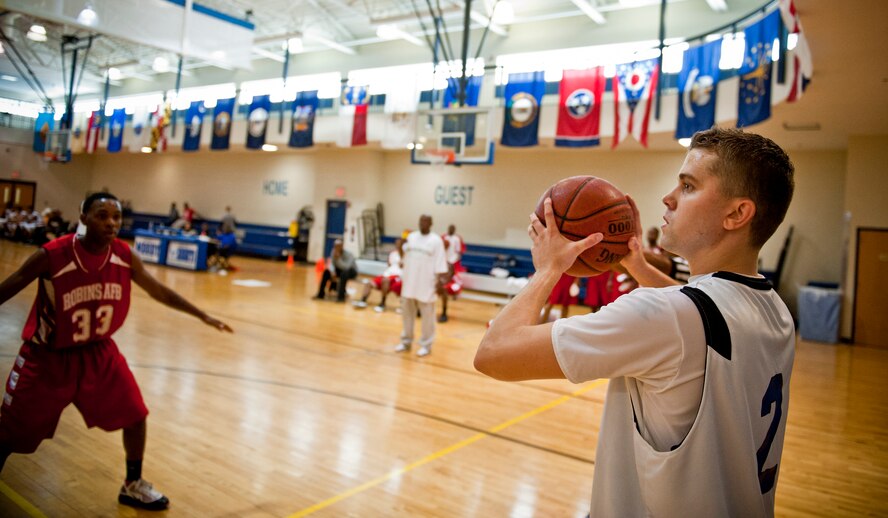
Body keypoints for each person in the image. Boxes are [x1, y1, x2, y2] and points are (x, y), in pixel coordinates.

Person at [475, 128, 796, 516]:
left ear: (737, 214)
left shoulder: (663, 316)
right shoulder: (774, 310)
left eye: (689, 186)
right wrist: (637, 264)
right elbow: (696, 312)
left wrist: (548, 268)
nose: (669, 197)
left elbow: (493, 354)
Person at [0, 192, 232, 511]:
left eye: (116, 217)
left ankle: (132, 484)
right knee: (10, 433)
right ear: (83, 217)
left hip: (98, 352)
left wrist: (201, 314)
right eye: (102, 215)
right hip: (48, 357)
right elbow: (10, 285)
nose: (111, 223)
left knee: (135, 414)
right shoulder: (52, 254)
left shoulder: (124, 254)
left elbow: (157, 289)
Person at [395, 215, 448, 357]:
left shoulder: (436, 241)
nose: (422, 224)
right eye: (420, 221)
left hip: (427, 285)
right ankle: (406, 341)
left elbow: (441, 263)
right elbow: (403, 258)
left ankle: (426, 344)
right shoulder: (411, 237)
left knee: (428, 318)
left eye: (425, 221)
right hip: (409, 284)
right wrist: (400, 246)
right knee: (407, 316)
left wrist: (439, 282)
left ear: (431, 223)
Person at [353, 238, 403, 312]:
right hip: (387, 275)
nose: (397, 245)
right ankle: (362, 301)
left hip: (397, 277)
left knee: (385, 281)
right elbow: (389, 264)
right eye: (396, 243)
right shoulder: (393, 253)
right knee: (369, 283)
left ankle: (382, 304)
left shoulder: (406, 255)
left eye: (399, 243)